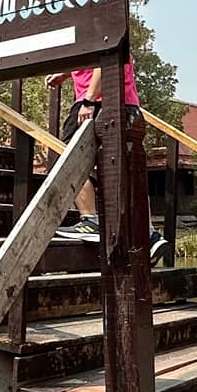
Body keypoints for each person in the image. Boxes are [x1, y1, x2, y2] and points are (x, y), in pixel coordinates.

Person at [49, 63, 169, 262]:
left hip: (98, 102)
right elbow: (92, 61)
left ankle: (91, 220)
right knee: (128, 172)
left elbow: (102, 62)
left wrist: (89, 100)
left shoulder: (94, 38)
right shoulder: (120, 41)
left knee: (70, 161)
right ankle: (148, 234)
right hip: (129, 106)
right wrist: (65, 72)